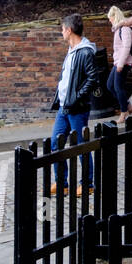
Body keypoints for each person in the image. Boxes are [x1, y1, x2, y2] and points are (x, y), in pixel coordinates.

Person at [50, 13, 99, 193]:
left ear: (69, 30)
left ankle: (87, 184)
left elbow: (93, 79)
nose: (61, 32)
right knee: (56, 143)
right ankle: (62, 184)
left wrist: (77, 97)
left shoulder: (85, 52)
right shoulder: (71, 51)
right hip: (64, 106)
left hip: (77, 107)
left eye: (62, 29)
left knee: (80, 144)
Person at [107, 5, 132, 125]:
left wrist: (121, 64)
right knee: (110, 85)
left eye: (110, 18)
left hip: (124, 62)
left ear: (114, 17)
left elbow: (126, 47)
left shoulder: (125, 29)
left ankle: (124, 112)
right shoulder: (118, 29)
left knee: (118, 87)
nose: (109, 20)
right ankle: (127, 106)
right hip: (119, 62)